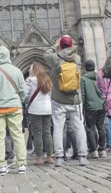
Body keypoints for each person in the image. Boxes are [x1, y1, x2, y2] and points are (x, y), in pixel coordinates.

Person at [44, 35, 88, 167]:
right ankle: (82, 157)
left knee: (58, 128)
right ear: (71, 45)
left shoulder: (55, 58)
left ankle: (59, 157)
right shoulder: (77, 58)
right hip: (75, 99)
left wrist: (55, 46)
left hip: (58, 99)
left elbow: (45, 54)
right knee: (79, 128)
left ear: (61, 45)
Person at [0, 46, 27, 176]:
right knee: (18, 135)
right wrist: (20, 100)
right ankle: (22, 164)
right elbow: (23, 91)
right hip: (14, 107)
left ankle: (2, 165)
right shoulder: (17, 71)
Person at [24, 62, 53, 165]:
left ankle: (39, 158)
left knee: (37, 133)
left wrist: (27, 101)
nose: (28, 70)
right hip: (47, 109)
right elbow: (51, 94)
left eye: (30, 68)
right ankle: (49, 157)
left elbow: (25, 95)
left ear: (34, 70)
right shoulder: (47, 79)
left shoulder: (30, 80)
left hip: (35, 109)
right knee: (47, 132)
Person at [81, 60, 107, 159]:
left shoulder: (83, 79)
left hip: (90, 107)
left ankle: (93, 150)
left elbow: (82, 94)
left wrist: (82, 106)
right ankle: (102, 150)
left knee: (90, 128)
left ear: (85, 68)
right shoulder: (99, 77)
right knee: (101, 127)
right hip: (101, 105)